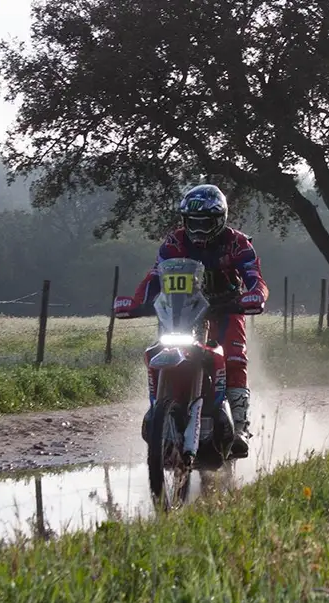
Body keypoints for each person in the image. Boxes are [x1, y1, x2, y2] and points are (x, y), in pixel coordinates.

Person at [113, 184, 268, 458]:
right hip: (182, 311)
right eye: (192, 223)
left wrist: (255, 295)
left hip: (225, 308)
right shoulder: (174, 242)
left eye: (205, 223)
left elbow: (254, 277)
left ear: (220, 220)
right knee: (161, 348)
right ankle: (160, 410)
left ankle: (241, 428)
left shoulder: (238, 243)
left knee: (234, 358)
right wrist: (136, 303)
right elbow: (154, 277)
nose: (197, 230)